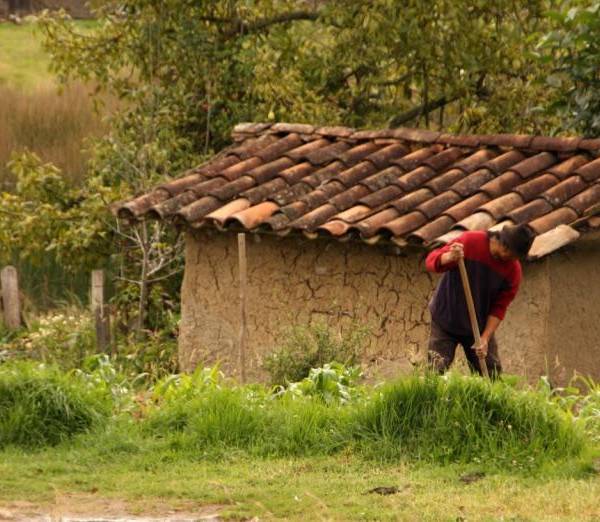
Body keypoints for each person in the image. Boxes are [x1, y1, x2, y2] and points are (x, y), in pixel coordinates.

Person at [424, 224, 535, 377]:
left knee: (491, 374)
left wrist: (485, 338)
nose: (514, 261)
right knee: (436, 370)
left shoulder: (513, 271)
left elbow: (499, 308)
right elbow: (431, 261)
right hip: (445, 317)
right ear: (504, 246)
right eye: (513, 256)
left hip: (478, 326)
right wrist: (449, 256)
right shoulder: (470, 242)